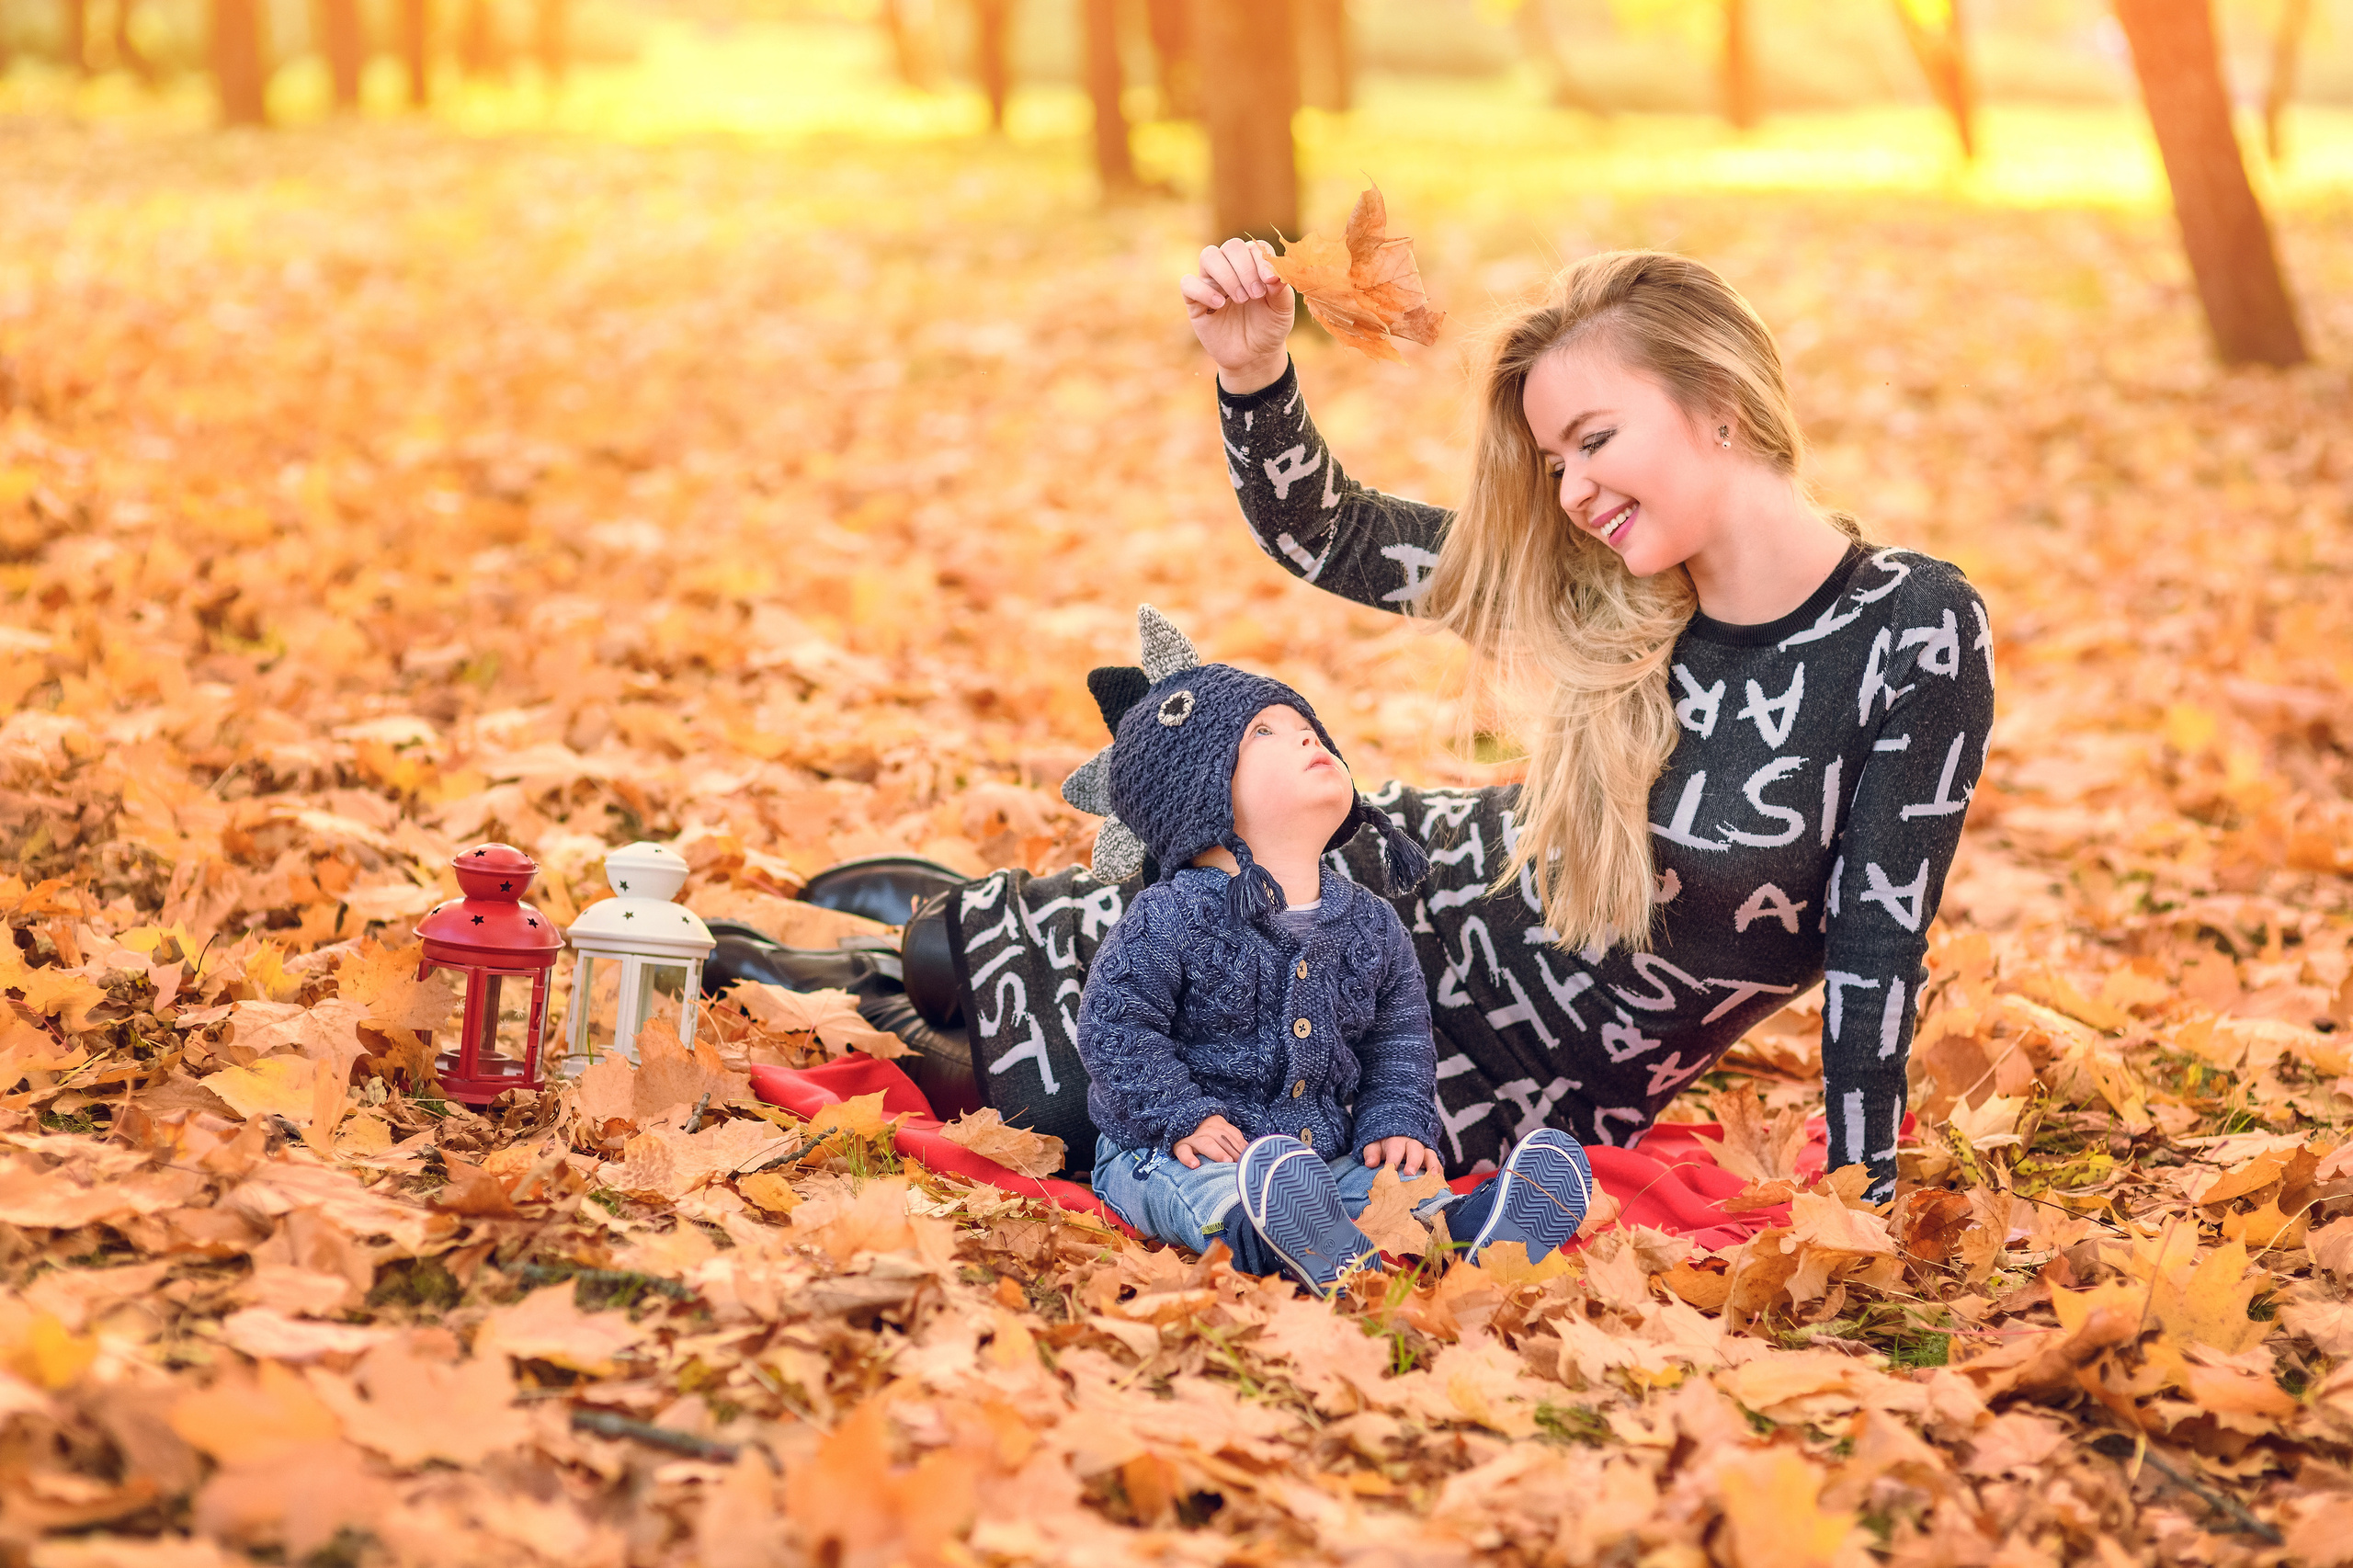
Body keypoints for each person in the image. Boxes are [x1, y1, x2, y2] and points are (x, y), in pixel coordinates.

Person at [801, 245, 1989, 1210]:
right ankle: (888, 946)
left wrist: (1861, 1189)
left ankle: (811, 977)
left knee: (1032, 1097)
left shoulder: (1911, 624)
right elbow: (1338, 535)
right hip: (1392, 890)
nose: (1571, 488)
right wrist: (1255, 370)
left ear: (1717, 403)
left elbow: (1877, 941)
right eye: (1554, 456)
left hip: (1519, 1063)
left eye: (1595, 438)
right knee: (951, 959)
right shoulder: (1612, 581)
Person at [1066, 605, 1592, 1294]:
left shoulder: (1368, 923)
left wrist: (1397, 1120)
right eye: (1265, 732)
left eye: (1308, 729)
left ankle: (1468, 1228)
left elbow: (1399, 1039)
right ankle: (1260, 1240)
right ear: (1198, 794)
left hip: (1320, 1154)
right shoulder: (1167, 918)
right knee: (1203, 1191)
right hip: (1172, 1146)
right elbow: (1114, 1028)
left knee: (1384, 1188)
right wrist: (1181, 1115)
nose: (1309, 741)